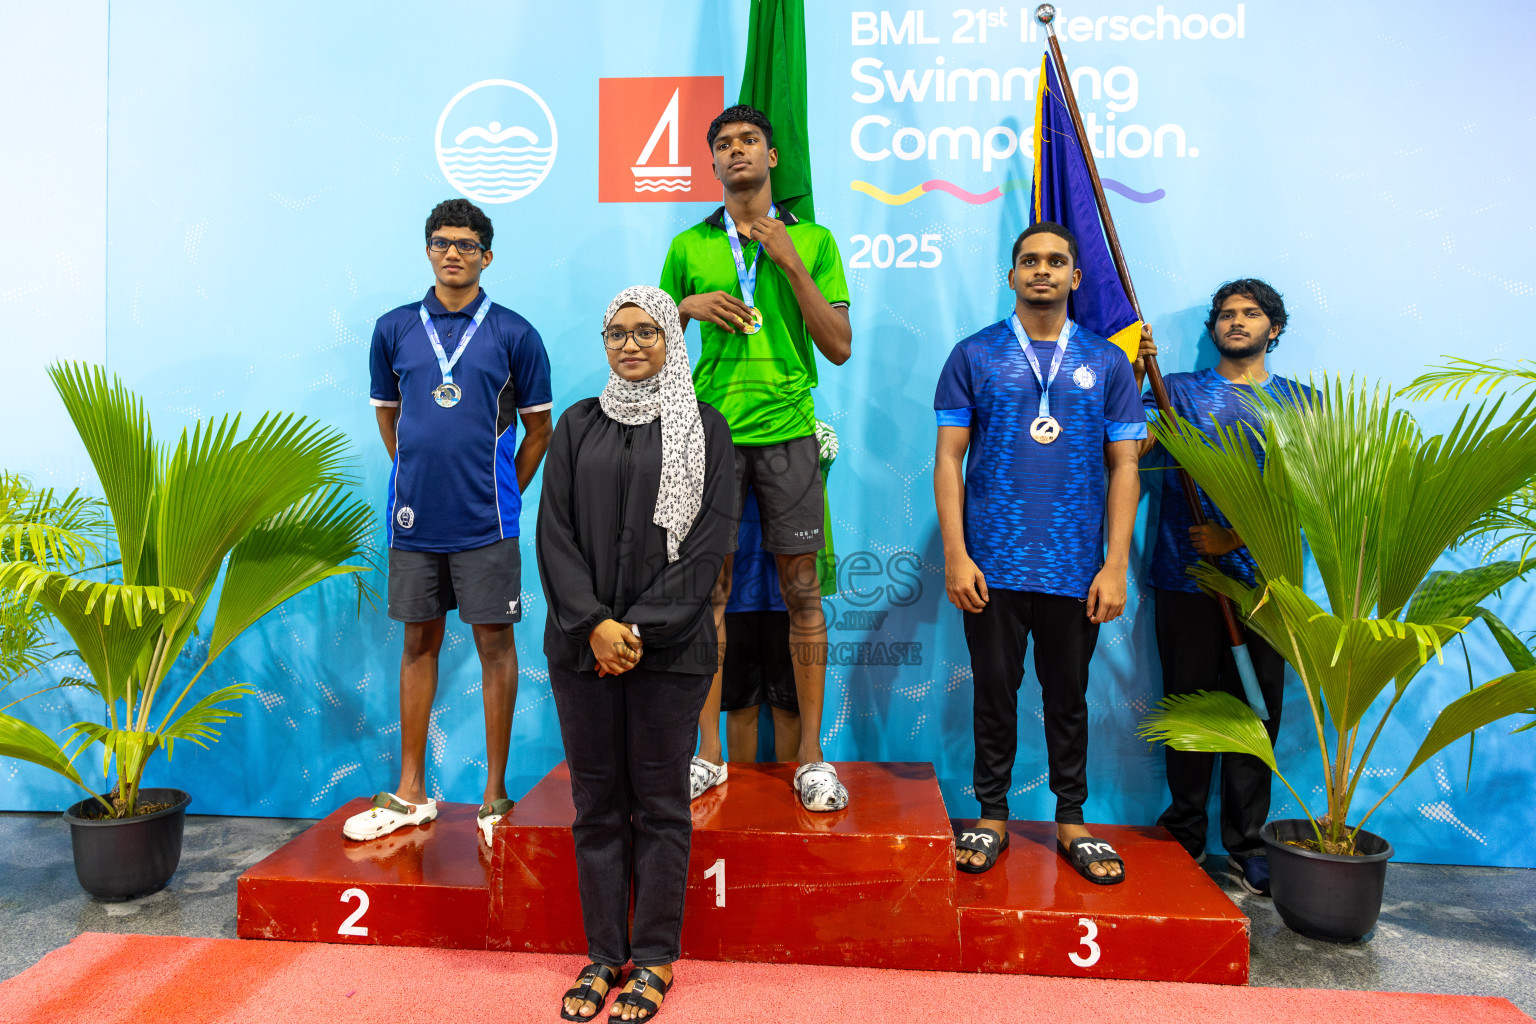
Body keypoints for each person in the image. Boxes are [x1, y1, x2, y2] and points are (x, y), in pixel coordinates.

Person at [538, 286, 735, 1021]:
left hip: (671, 653)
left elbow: (707, 543)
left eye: (646, 333)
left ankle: (652, 957)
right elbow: (553, 534)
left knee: (658, 806)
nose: (630, 345)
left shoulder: (705, 429)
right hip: (581, 649)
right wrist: (593, 624)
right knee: (595, 806)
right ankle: (603, 954)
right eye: (617, 333)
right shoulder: (576, 425)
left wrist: (637, 630)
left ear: (671, 342)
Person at [933, 222, 1145, 881]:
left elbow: (1127, 468)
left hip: (1075, 568)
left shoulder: (1107, 362)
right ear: (1012, 276)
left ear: (1076, 277)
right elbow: (947, 459)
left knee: (1068, 696)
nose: (1043, 270)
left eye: (1056, 261)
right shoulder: (974, 354)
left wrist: (1114, 566)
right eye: (1030, 261)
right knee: (994, 693)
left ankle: (1073, 820)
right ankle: (991, 816)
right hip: (991, 566)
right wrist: (957, 555)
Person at [660, 103, 853, 811]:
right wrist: (683, 310)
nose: (736, 151)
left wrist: (792, 265)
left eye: (749, 141)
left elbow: (838, 345)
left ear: (773, 158)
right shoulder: (688, 246)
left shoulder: (818, 241)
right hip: (711, 435)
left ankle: (812, 759)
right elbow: (648, 355)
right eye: (724, 144)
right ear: (712, 162)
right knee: (709, 595)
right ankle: (708, 756)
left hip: (788, 432)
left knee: (802, 592)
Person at [349, 198, 551, 846]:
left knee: (496, 647)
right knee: (416, 644)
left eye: (467, 243)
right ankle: (411, 792)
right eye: (442, 242)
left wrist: (503, 495)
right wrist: (420, 478)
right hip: (414, 521)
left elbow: (540, 429)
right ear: (428, 250)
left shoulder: (515, 333)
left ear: (487, 255)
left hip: (488, 523)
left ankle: (494, 796)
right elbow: (390, 418)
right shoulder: (393, 329)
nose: (453, 252)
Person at [1135, 278, 1306, 897]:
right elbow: (1133, 441)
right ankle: (1183, 834)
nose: (1237, 322)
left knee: (1256, 718)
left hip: (1265, 590)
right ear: (1214, 330)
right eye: (1226, 315)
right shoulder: (1176, 389)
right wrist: (1133, 374)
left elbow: (1308, 494)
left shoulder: (1300, 404)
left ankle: (1247, 845)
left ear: (1274, 328)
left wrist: (1235, 538)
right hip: (1184, 582)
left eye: (1251, 313)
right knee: (1190, 711)